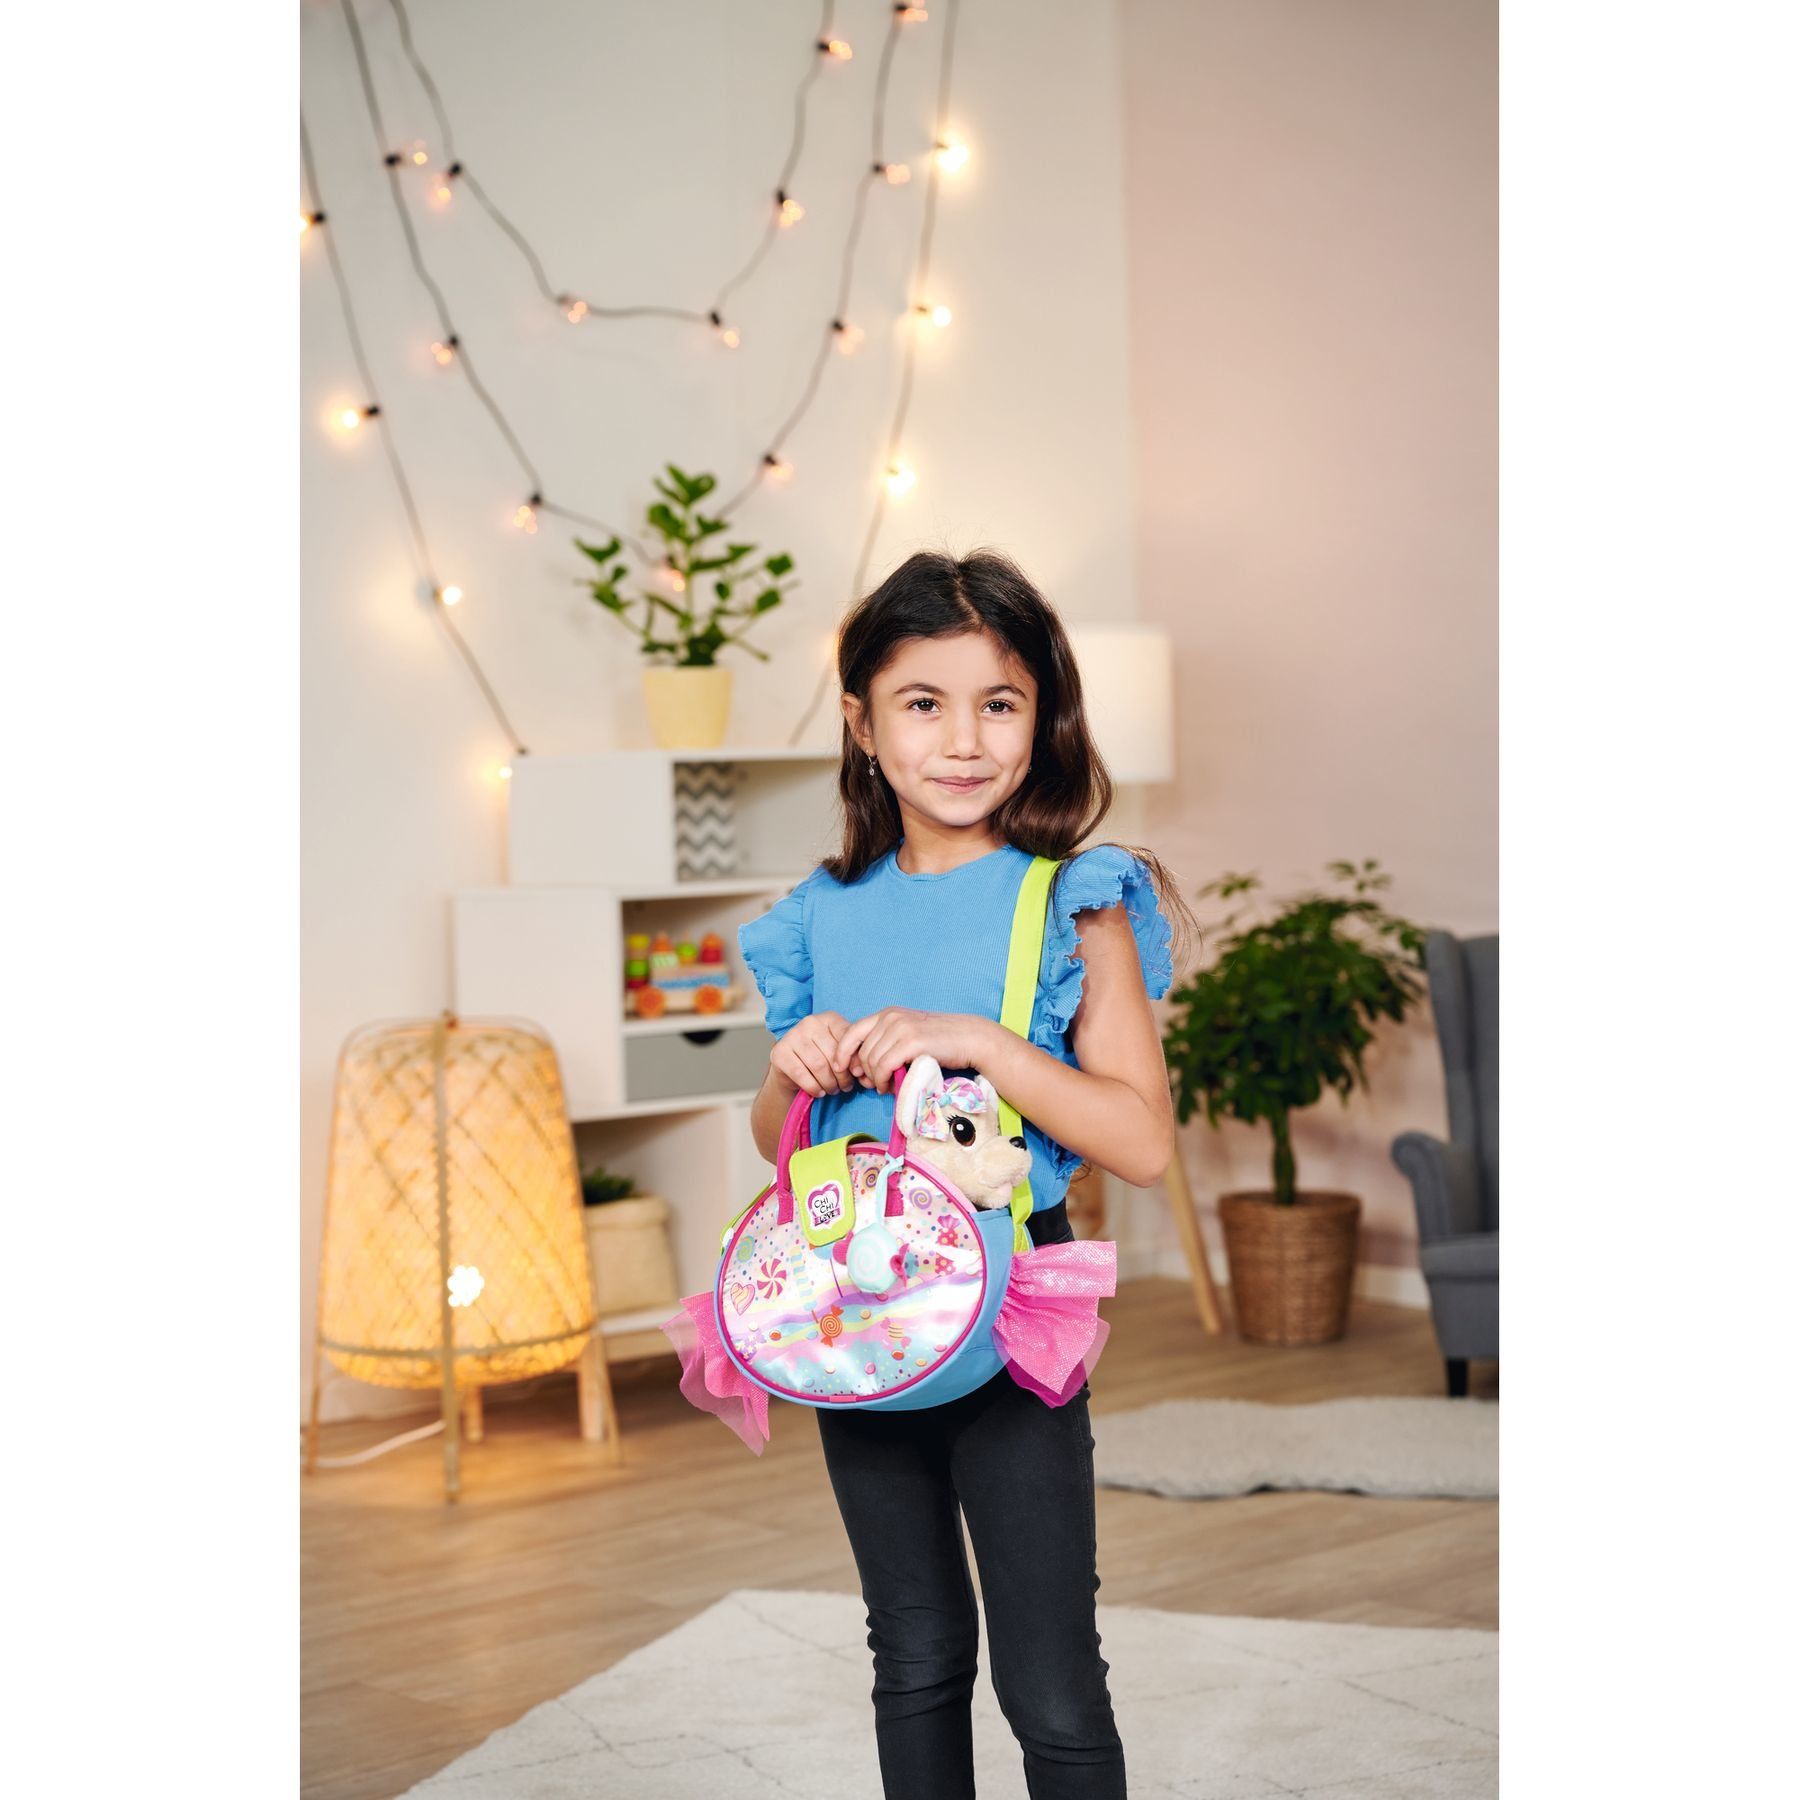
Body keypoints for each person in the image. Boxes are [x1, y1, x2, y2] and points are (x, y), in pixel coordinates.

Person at [735, 547, 1198, 1800]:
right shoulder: (819, 913)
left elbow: (1143, 1143)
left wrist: (985, 1044)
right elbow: (780, 1139)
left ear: (1042, 717)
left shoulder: (1073, 900)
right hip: (855, 1306)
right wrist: (790, 1068)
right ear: (862, 724)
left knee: (1050, 1681)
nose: (963, 740)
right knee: (914, 1652)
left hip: (1012, 1303)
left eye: (999, 703)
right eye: (922, 703)